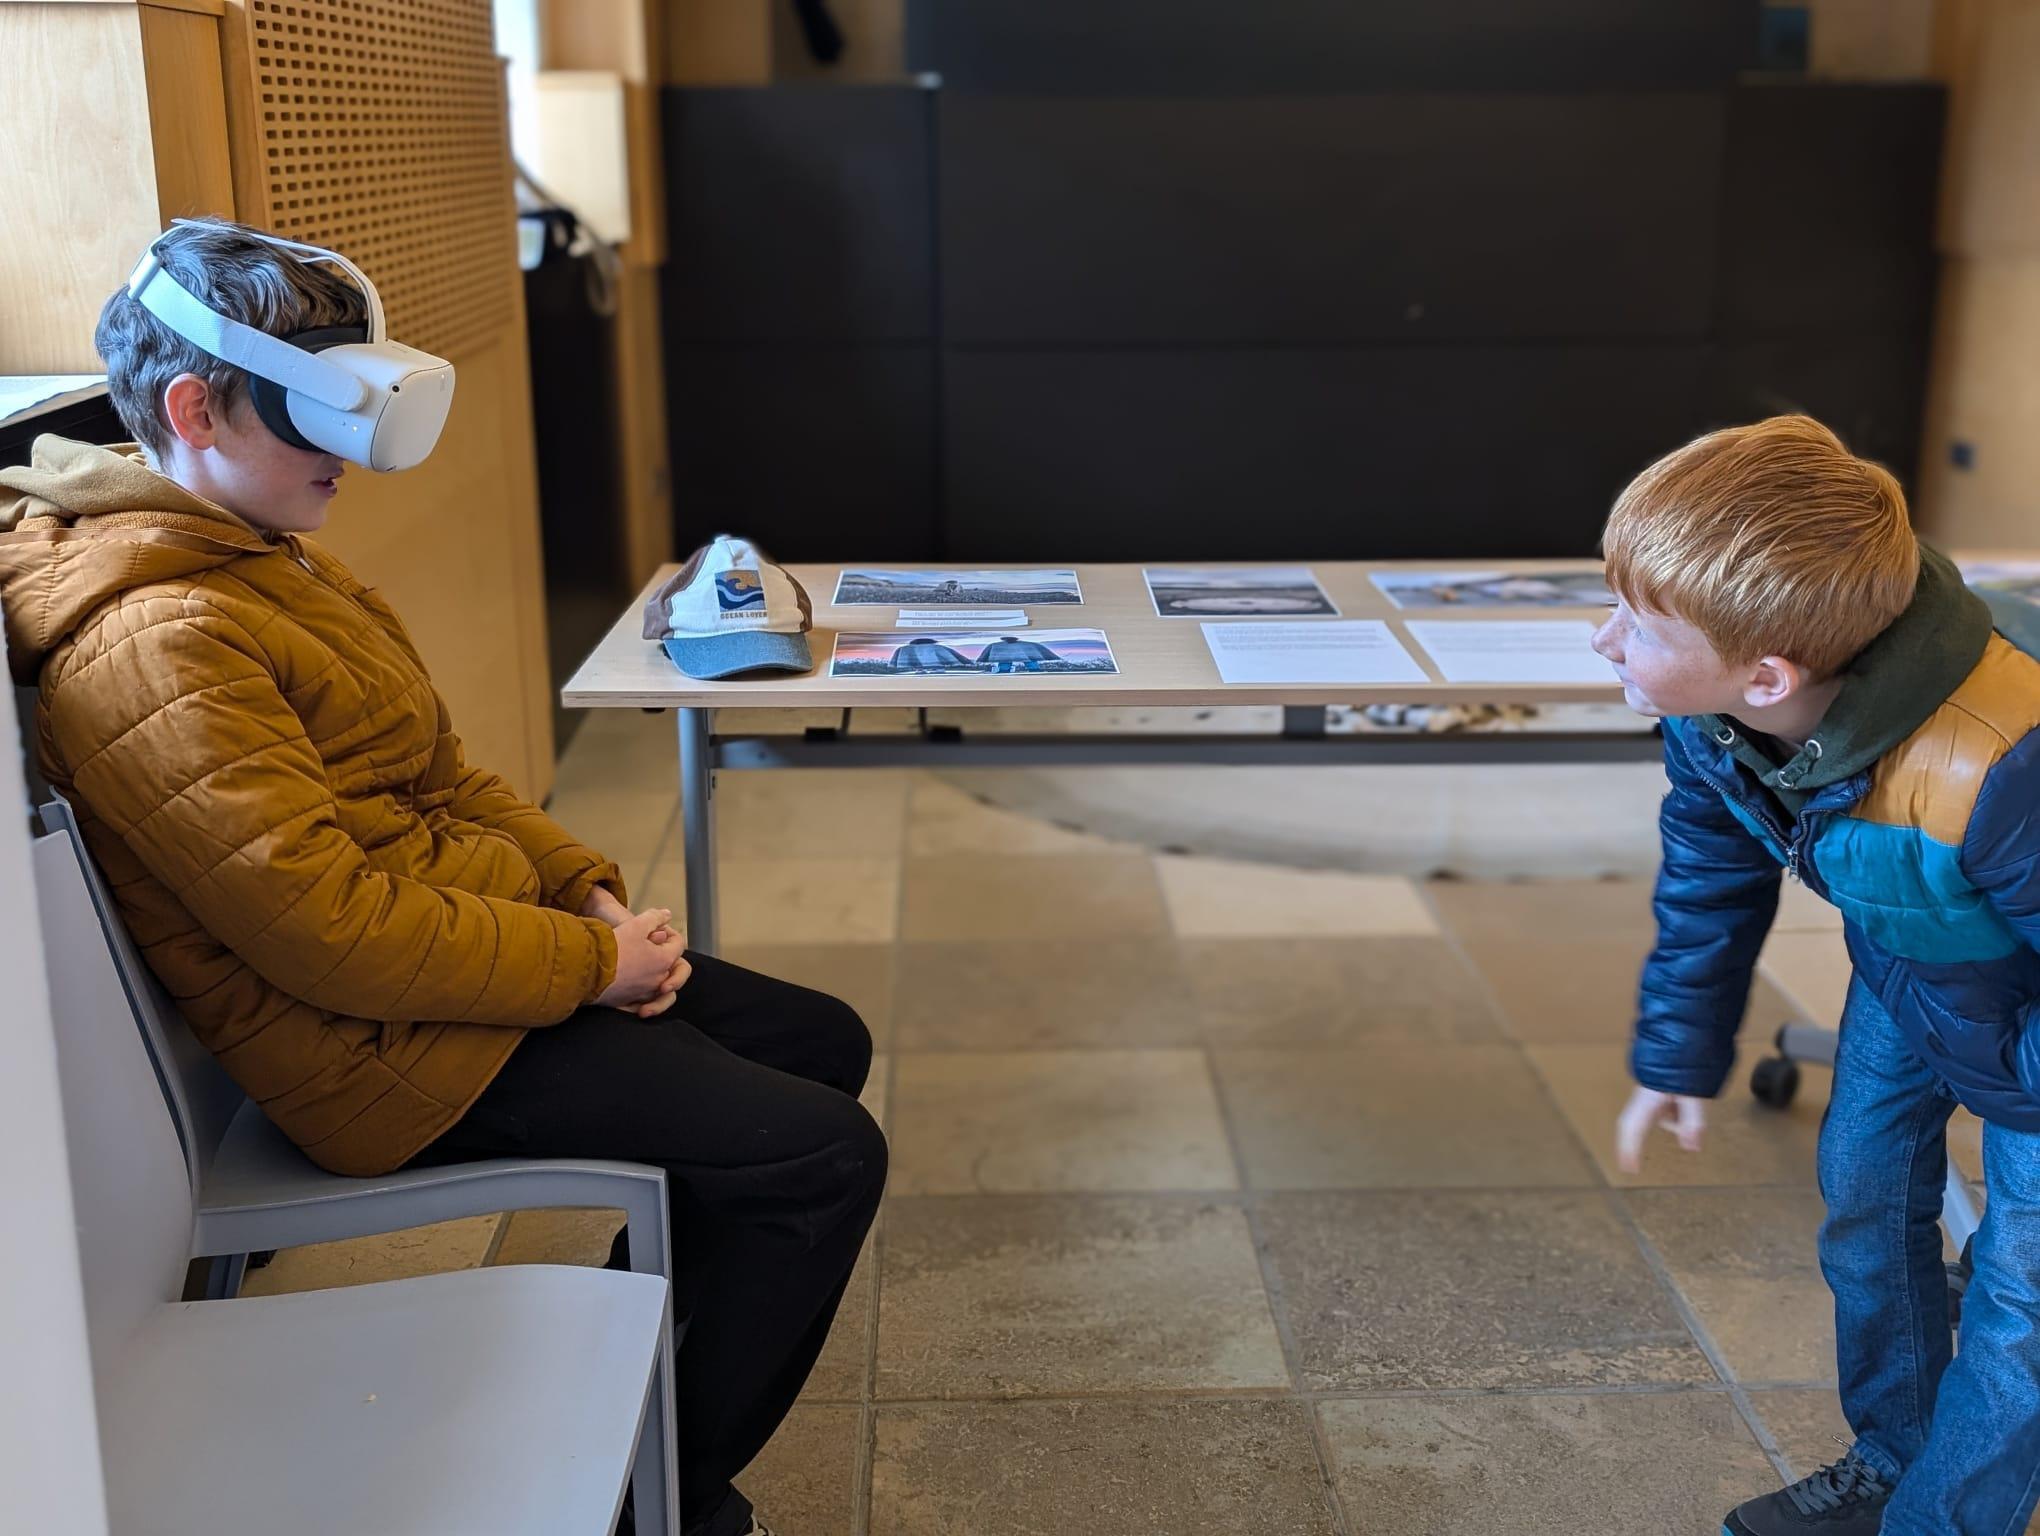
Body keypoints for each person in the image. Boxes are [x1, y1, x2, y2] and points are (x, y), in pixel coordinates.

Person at [0, 216, 883, 1536]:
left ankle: (648, 1393)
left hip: (439, 980)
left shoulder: (248, 554)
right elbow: (328, 937)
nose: (350, 458)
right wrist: (594, 968)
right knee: (821, 1159)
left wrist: (579, 890)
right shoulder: (158, 638)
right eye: (314, 418)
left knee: (820, 1042)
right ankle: (677, 1500)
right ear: (193, 407)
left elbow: (438, 777)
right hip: (373, 1053)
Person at [1592, 415, 2040, 1536]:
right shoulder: (1719, 716)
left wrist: (2011, 1087)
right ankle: (1898, 1459)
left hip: (2024, 1017)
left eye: (1639, 624)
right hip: (1920, 954)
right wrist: (1679, 1055)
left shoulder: (2001, 766)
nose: (1604, 642)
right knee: (1865, 1199)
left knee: (2021, 1306)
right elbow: (1706, 878)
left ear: (1769, 670)